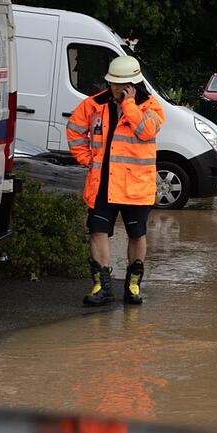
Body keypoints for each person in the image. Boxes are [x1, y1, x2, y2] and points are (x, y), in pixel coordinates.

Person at [66, 55, 165, 306]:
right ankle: (102, 286)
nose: (118, 89)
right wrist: (86, 157)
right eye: (114, 84)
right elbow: (74, 129)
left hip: (135, 186)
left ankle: (132, 286)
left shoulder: (151, 107)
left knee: (137, 233)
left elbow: (147, 131)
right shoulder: (93, 105)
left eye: (124, 85)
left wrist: (130, 105)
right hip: (102, 183)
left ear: (135, 84)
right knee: (97, 232)